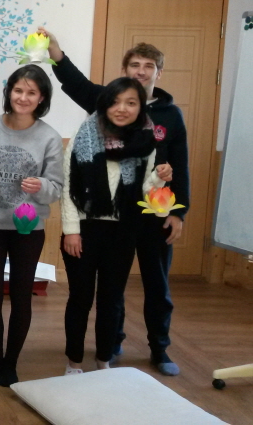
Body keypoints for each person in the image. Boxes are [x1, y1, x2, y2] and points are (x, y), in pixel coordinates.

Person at [43, 28, 188, 376]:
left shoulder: (163, 122)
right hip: (91, 225)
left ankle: (156, 349)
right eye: (135, 65)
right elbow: (76, 84)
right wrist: (56, 53)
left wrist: (177, 208)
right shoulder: (92, 124)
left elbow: (175, 168)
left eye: (149, 66)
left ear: (159, 72)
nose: (141, 71)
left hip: (143, 216)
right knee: (93, 297)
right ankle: (100, 349)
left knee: (150, 285)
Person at [61, 77, 171, 376]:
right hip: (84, 230)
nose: (122, 108)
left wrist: (159, 179)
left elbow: (147, 193)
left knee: (111, 301)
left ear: (140, 107)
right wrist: (71, 230)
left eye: (131, 103)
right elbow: (69, 185)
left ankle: (103, 360)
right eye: (116, 101)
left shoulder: (146, 141)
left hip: (124, 231)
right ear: (105, 104)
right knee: (80, 299)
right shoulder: (85, 133)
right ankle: (73, 362)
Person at [0, 65, 63, 386]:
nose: (23, 98)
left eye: (31, 92)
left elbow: (56, 187)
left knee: (22, 295)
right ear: (9, 92)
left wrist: (41, 186)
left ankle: (11, 362)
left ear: (42, 99)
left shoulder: (50, 137)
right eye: (18, 90)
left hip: (28, 229)